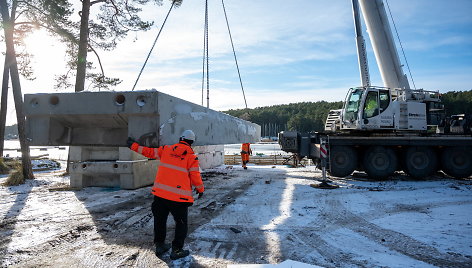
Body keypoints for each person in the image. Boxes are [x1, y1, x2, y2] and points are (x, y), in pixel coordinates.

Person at [127, 129, 204, 260]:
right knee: (181, 224)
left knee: (160, 220)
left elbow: (148, 152)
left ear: (180, 139)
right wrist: (200, 189)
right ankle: (177, 250)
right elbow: (195, 175)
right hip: (179, 198)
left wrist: (133, 145)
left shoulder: (166, 150)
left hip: (160, 195)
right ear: (191, 142)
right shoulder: (191, 157)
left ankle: (160, 245)